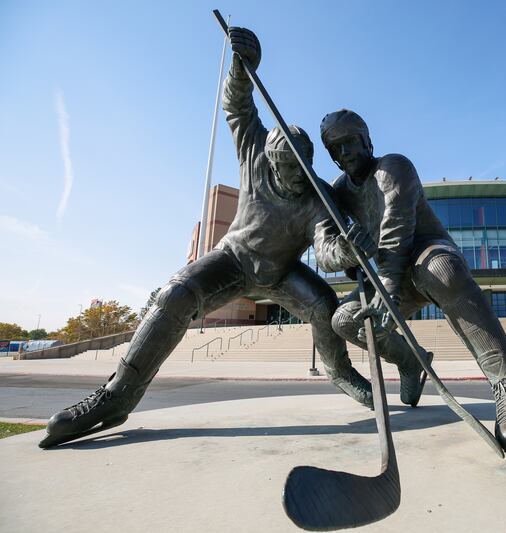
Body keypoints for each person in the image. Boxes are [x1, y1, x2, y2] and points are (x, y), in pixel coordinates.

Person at [39, 28, 373, 449]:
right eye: (285, 168)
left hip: (280, 274)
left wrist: (345, 247)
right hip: (232, 260)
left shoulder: (318, 195)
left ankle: (339, 371)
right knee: (174, 295)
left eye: (300, 168)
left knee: (325, 305)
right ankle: (116, 395)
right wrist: (242, 66)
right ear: (270, 159)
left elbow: (326, 249)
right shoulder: (255, 151)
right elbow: (238, 107)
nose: (293, 178)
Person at [314, 109, 506, 474]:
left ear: (367, 140)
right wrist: (345, 250)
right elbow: (324, 247)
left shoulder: (394, 167)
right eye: (334, 150)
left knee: (440, 271)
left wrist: (386, 284)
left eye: (348, 144)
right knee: (345, 318)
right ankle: (410, 360)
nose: (342, 154)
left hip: (425, 254)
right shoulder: (338, 193)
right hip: (391, 280)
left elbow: (397, 228)